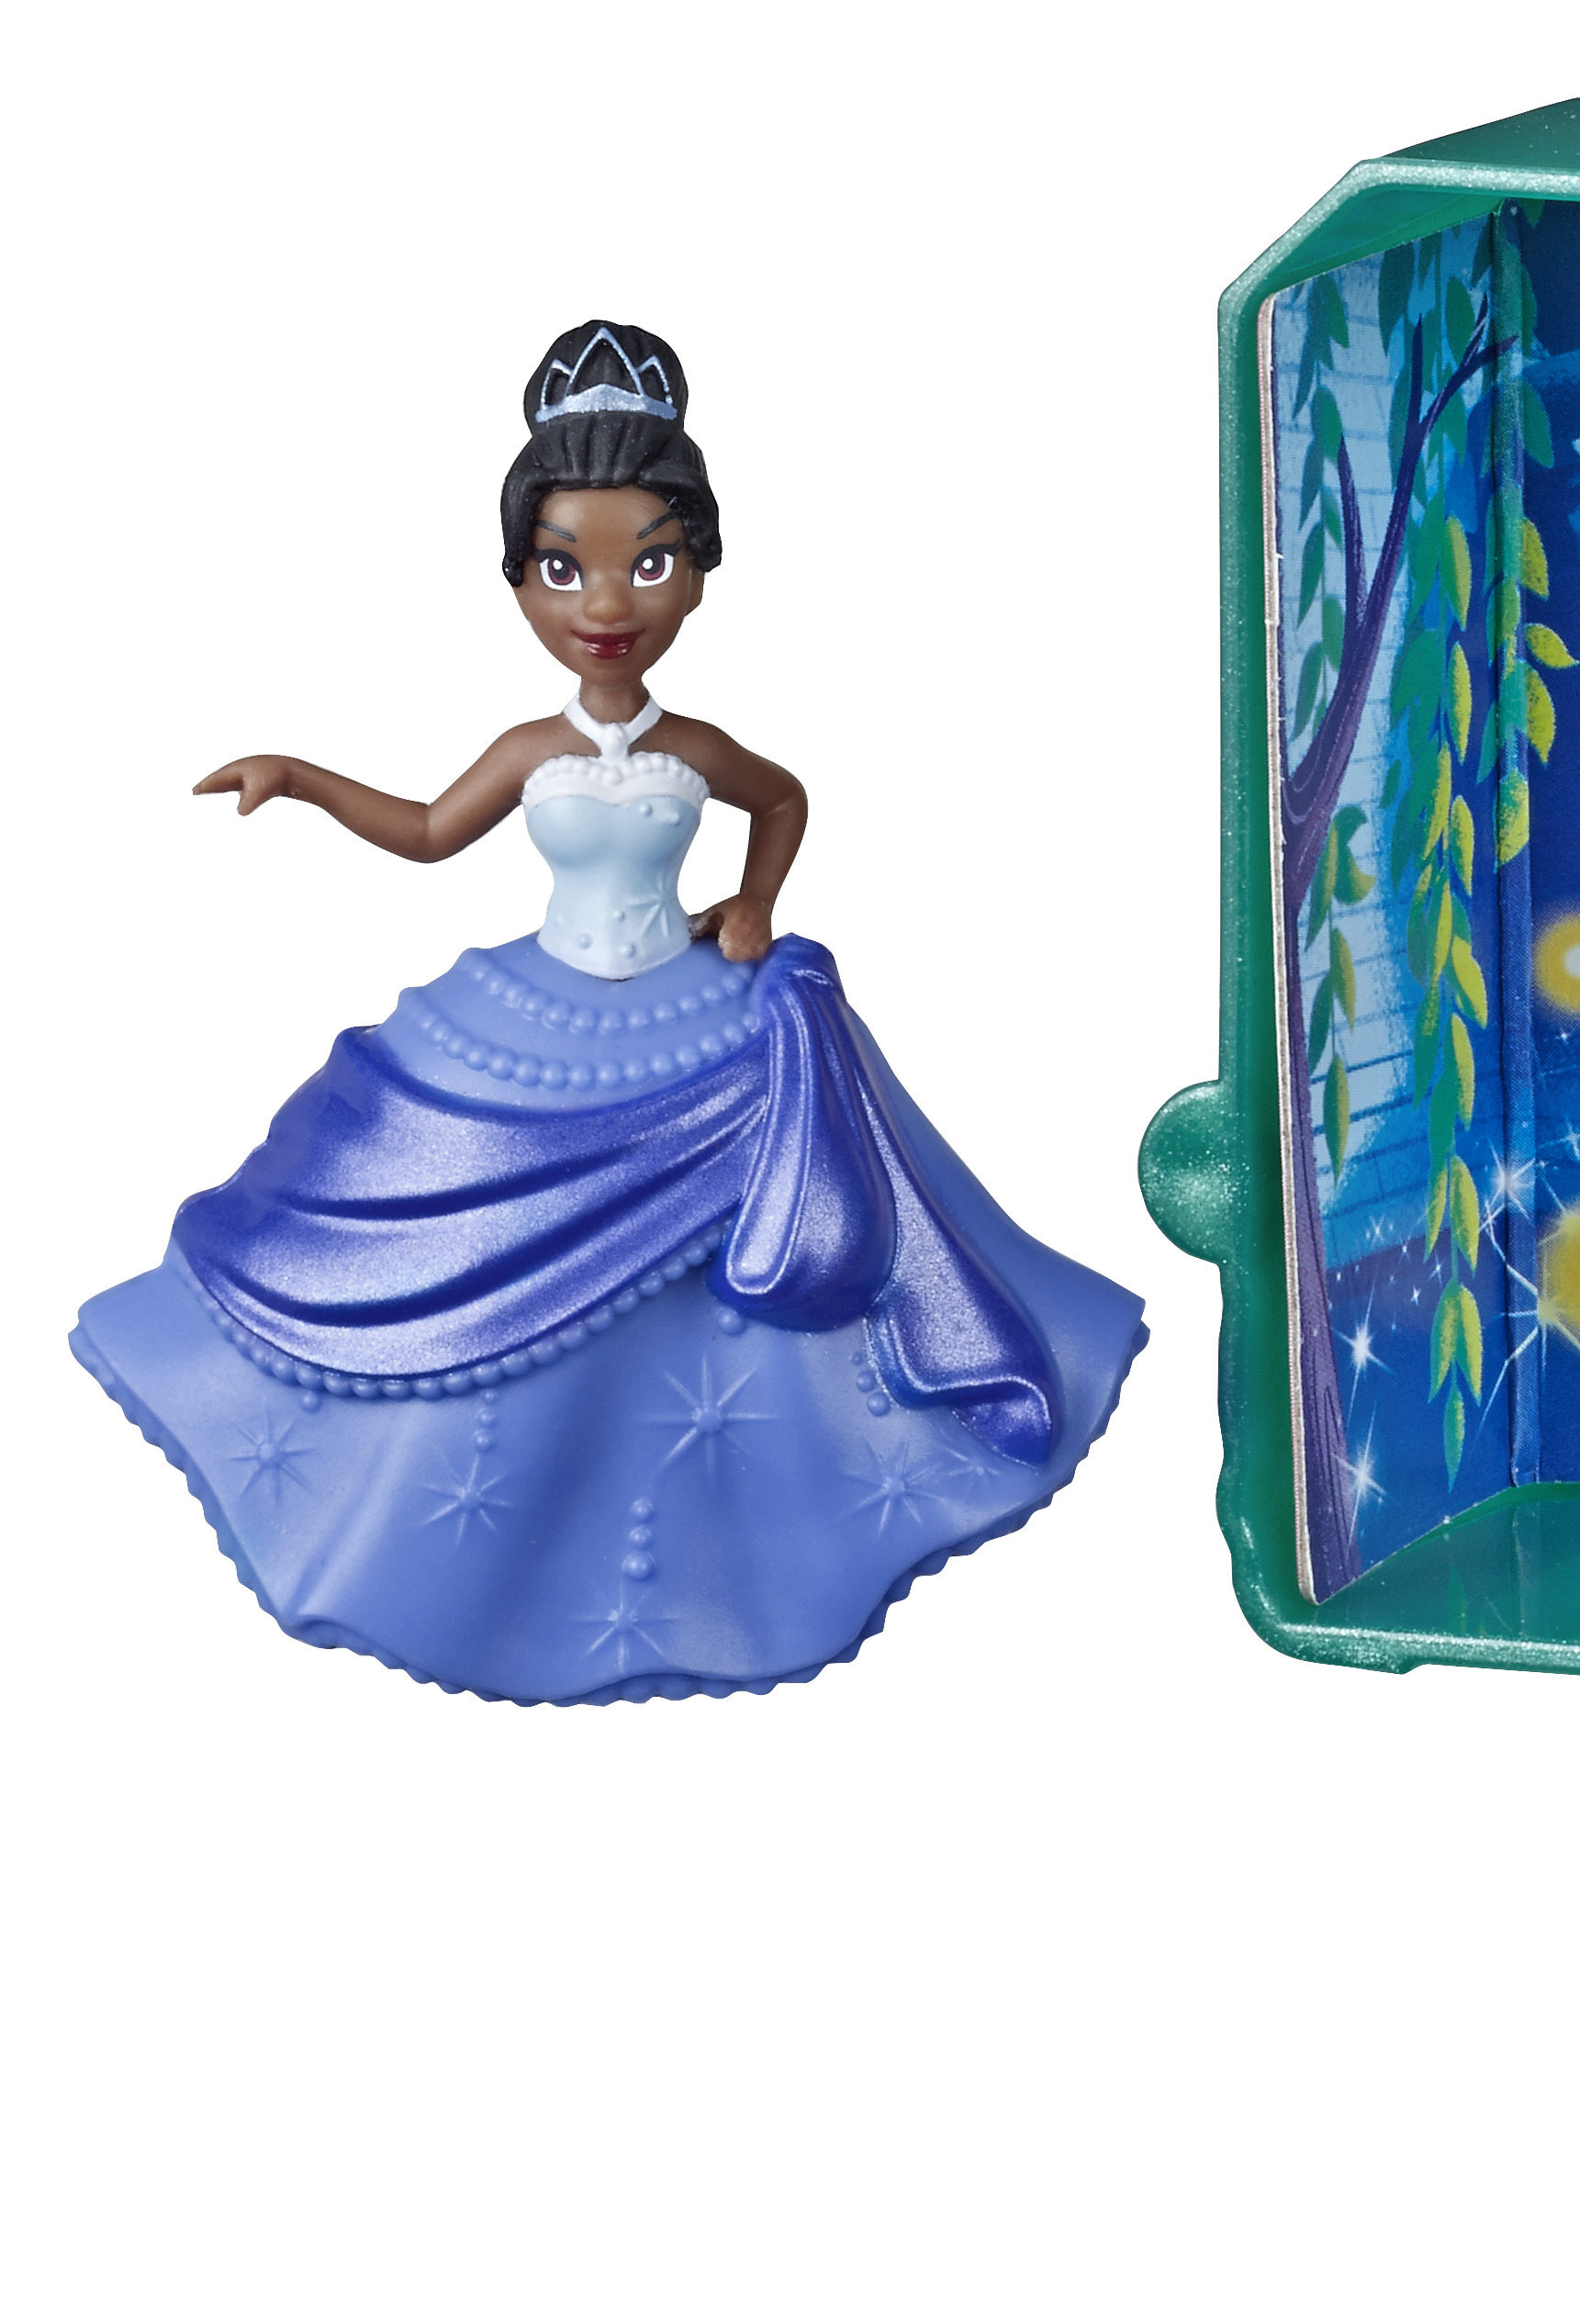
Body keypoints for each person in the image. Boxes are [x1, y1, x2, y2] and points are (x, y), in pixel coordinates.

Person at [72, 320, 1144, 1705]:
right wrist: (305, 775)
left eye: (650, 560)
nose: (607, 600)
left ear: (696, 568)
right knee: (453, 1211)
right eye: (562, 566)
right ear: (522, 577)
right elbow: (426, 830)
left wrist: (755, 902)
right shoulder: (531, 749)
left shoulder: (695, 746)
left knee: (706, 1287)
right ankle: (472, 1536)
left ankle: (721, 1539)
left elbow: (784, 797)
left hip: (695, 1017)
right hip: (535, 1008)